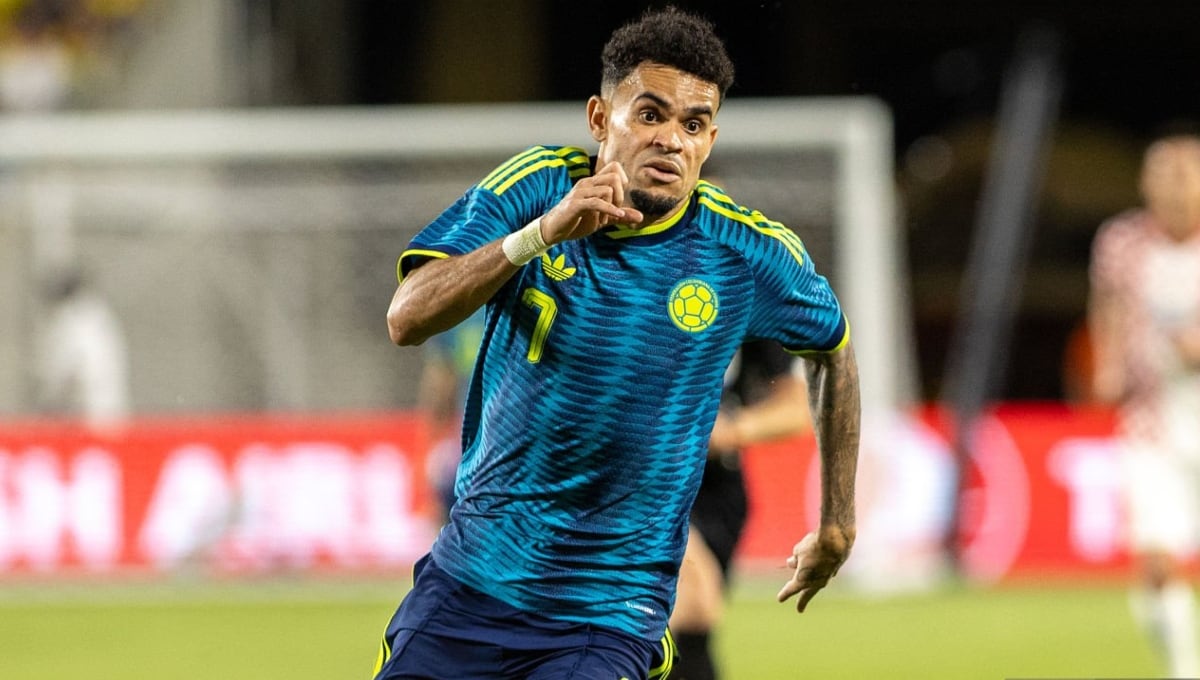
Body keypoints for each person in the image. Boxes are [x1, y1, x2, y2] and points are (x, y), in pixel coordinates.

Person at [377, 6, 861, 678]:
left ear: (710, 139)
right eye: (651, 114)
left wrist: (837, 522)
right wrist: (540, 235)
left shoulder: (743, 249)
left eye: (693, 126)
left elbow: (833, 351)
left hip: (608, 618)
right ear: (602, 120)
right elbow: (407, 317)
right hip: (469, 586)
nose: (671, 140)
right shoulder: (538, 186)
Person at [1089, 133, 1200, 678]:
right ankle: (1184, 667)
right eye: (1164, 173)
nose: (1176, 187)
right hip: (1152, 419)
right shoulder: (1122, 241)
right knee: (1159, 555)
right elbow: (1106, 302)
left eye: (1188, 173)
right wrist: (1107, 360)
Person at [670, 340, 811, 680]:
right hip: (640, 475)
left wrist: (732, 429)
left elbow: (798, 410)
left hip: (717, 492)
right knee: (691, 603)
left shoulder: (745, 300)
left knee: (685, 620)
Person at [34, 264, 131, 435]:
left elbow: (63, 374)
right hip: (111, 414)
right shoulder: (99, 315)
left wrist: (47, 404)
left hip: (86, 420)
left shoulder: (72, 320)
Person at [418, 307, 485, 524]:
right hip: (489, 442)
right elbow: (440, 386)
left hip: (473, 447)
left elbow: (440, 384)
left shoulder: (456, 299)